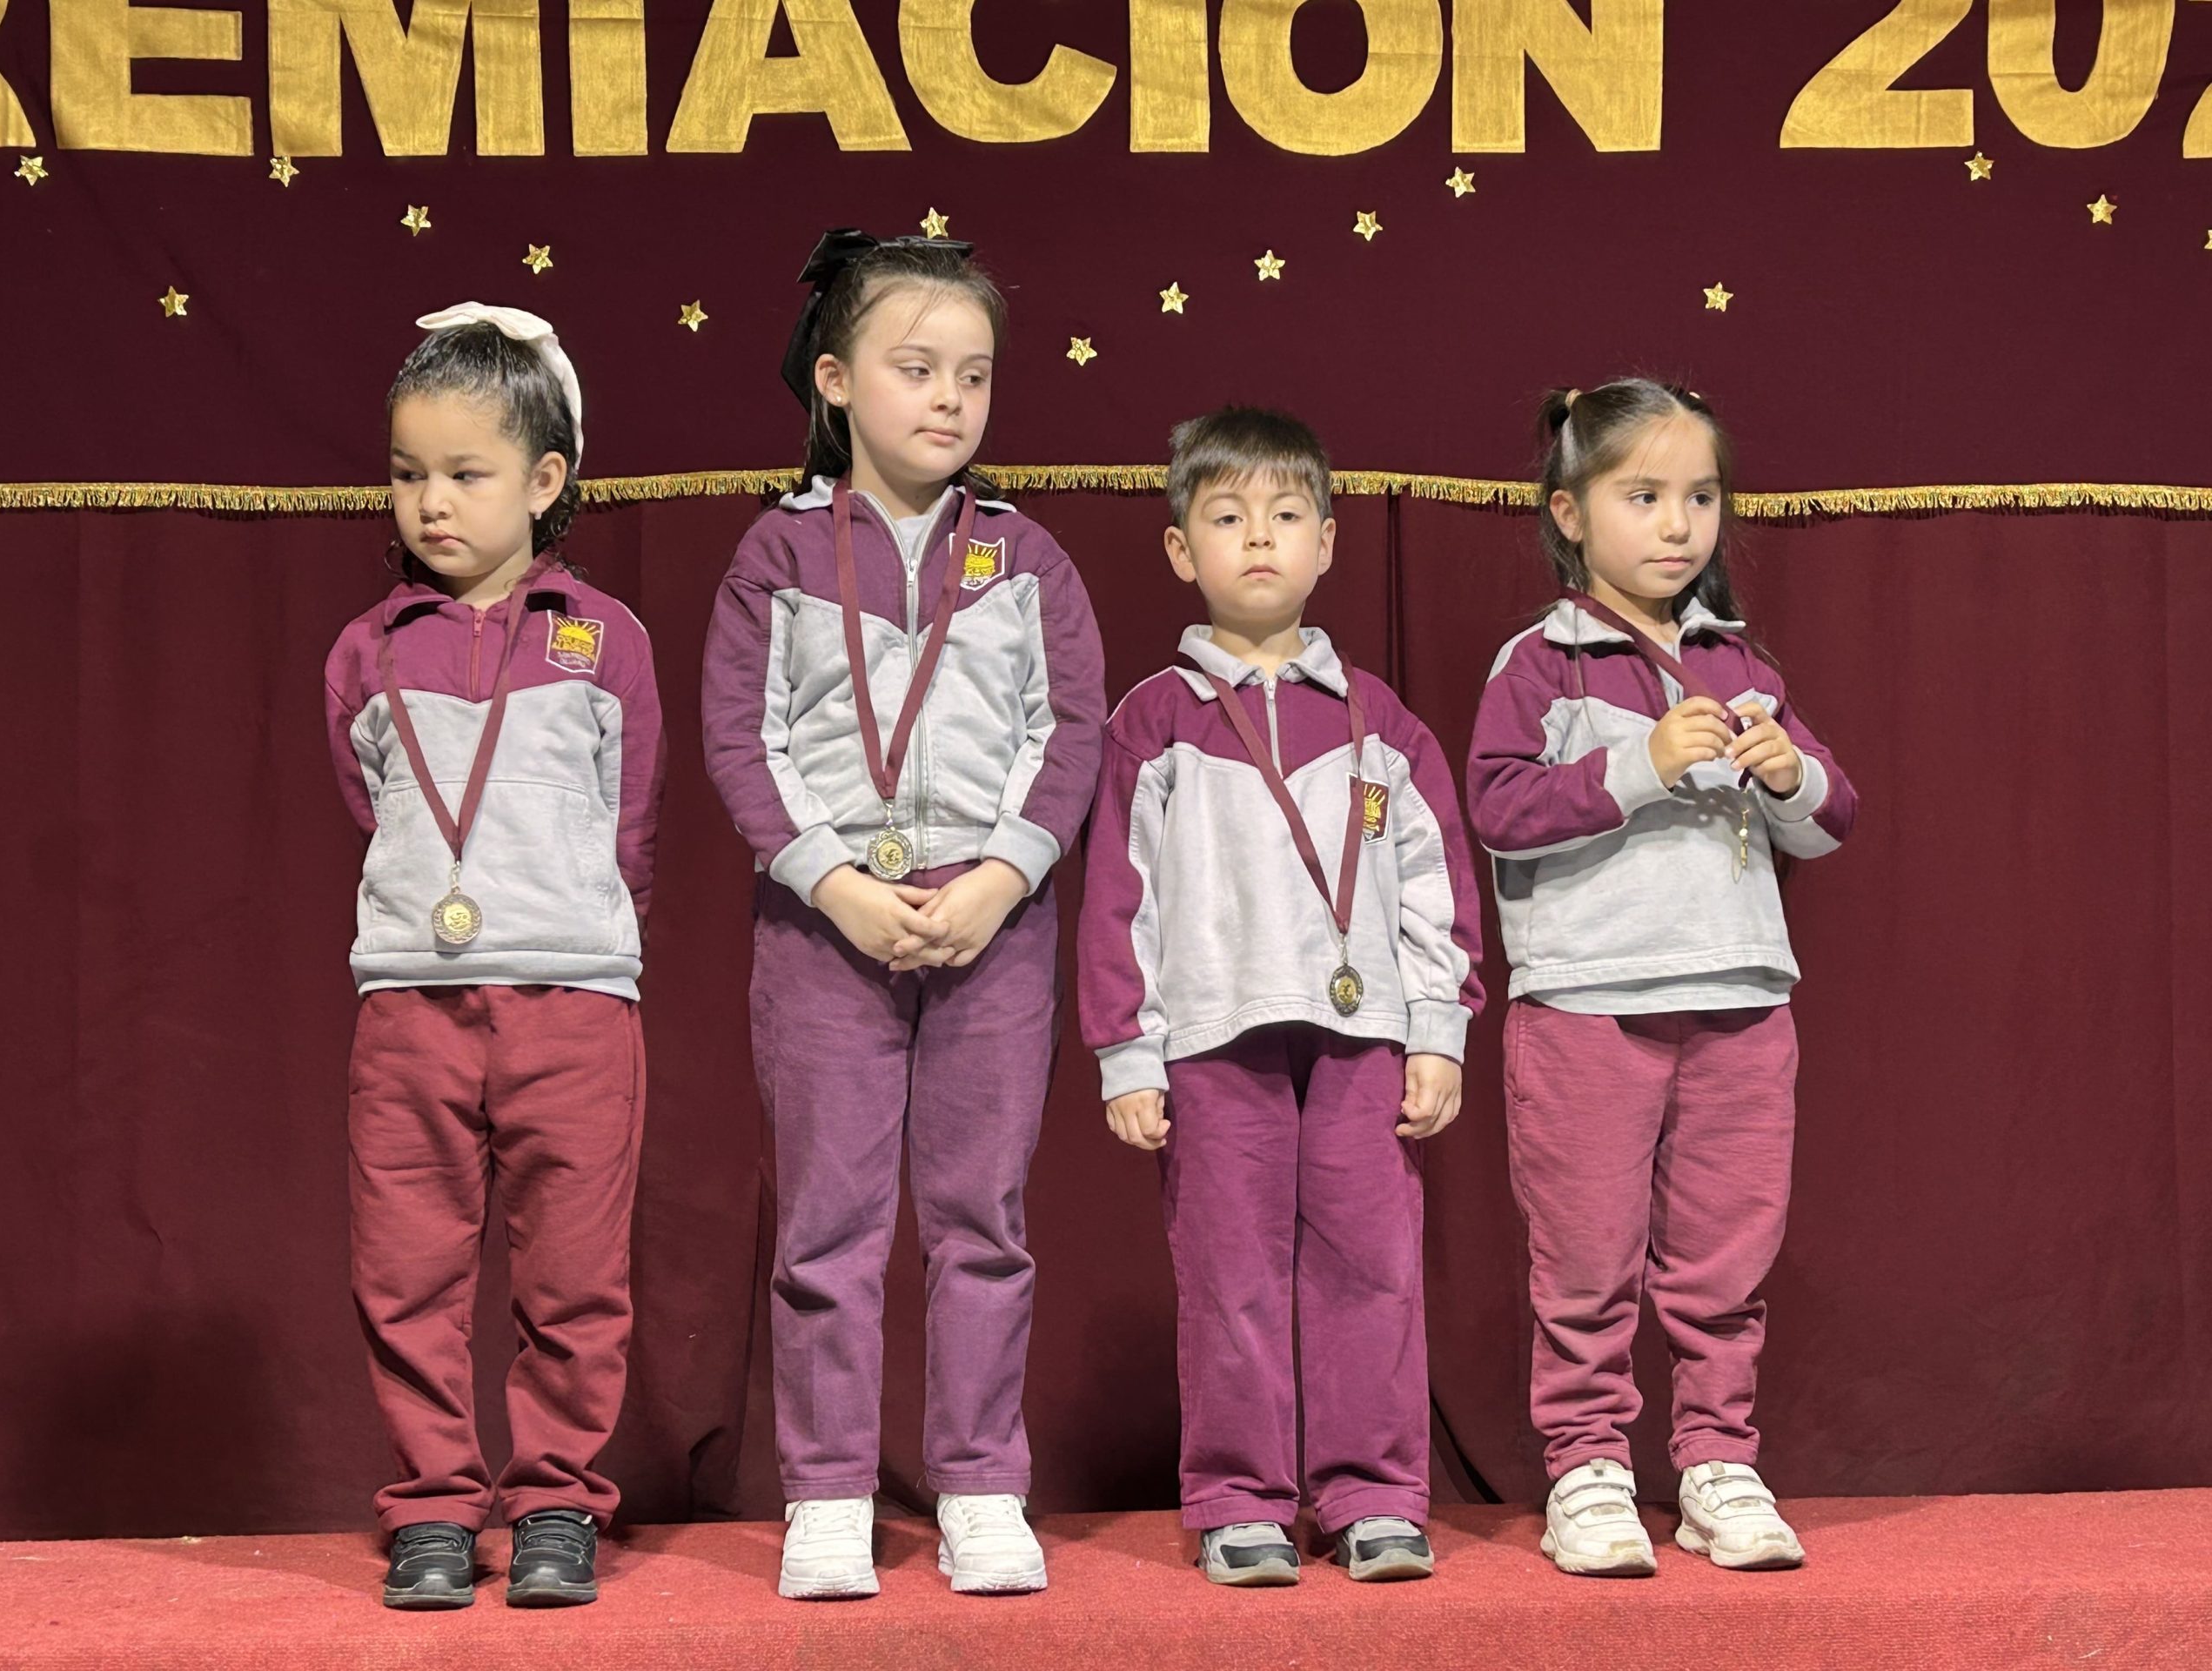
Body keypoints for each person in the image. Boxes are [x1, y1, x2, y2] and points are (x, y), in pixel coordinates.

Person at [701, 231, 1105, 1599]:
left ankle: (982, 1483)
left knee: (982, 1218)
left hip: (994, 926)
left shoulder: (1027, 556)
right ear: (835, 380)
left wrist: (1000, 880)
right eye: (916, 368)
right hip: (827, 932)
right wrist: (834, 884)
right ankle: (827, 1492)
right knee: (829, 1224)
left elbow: (1071, 733)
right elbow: (741, 740)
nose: (949, 398)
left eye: (974, 375)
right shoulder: (776, 553)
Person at [1079, 407, 1482, 1586]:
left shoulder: (1379, 722)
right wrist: (1127, 1051)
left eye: (1287, 515)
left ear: (1327, 543)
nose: (1259, 538)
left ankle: (1373, 1494)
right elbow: (1118, 899)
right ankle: (1241, 1499)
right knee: (1230, 1272)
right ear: (1180, 549)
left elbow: (1436, 883)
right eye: (1227, 517)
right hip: (1213, 1039)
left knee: (1371, 1267)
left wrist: (1438, 1030)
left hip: (1364, 1034)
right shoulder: (1153, 719)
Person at [1465, 379, 1857, 1576]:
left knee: (1724, 1256)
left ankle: (1716, 1465)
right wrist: (1638, 762)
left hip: (1742, 997)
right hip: (1588, 1002)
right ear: (1570, 513)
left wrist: (1788, 772)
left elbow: (1832, 821)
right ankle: (1586, 1467)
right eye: (1643, 497)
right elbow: (1497, 807)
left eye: (1700, 497)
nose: (1678, 525)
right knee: (1587, 1257)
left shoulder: (1741, 662)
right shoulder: (1542, 662)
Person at [323, 304, 662, 1609]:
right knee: (405, 1270)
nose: (432, 502)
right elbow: (370, 813)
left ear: (544, 479)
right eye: (409, 473)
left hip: (573, 1002)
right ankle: (431, 1509)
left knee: (574, 1276)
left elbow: (633, 822)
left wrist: (583, 933)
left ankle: (559, 1500)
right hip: (412, 1004)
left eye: (467, 473)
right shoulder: (367, 651)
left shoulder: (604, 638)